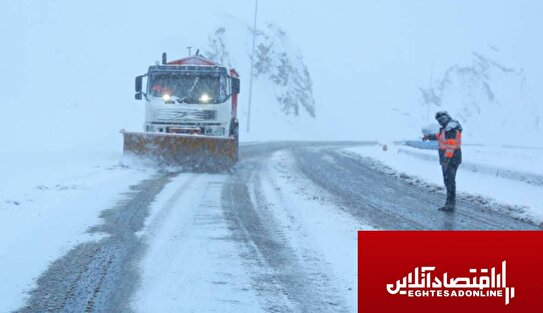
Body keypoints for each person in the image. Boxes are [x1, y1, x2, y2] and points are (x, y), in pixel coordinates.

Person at [422, 111, 463, 211]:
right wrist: (428, 137)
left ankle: (450, 204)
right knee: (448, 181)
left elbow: (451, 145)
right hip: (449, 159)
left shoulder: (450, 128)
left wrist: (446, 160)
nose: (439, 123)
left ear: (444, 118)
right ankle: (449, 203)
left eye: (440, 120)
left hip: (451, 159)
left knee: (449, 181)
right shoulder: (447, 127)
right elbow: (440, 136)